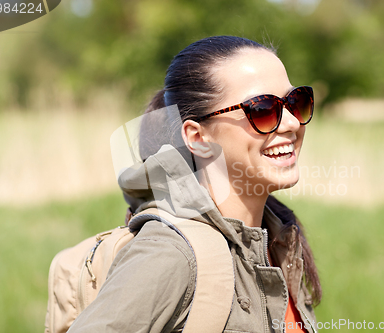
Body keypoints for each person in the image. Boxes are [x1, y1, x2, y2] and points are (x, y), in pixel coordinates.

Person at [68, 35, 321, 333]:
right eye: (263, 109)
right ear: (198, 138)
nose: (292, 123)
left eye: (295, 101)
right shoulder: (169, 254)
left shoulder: (277, 241)